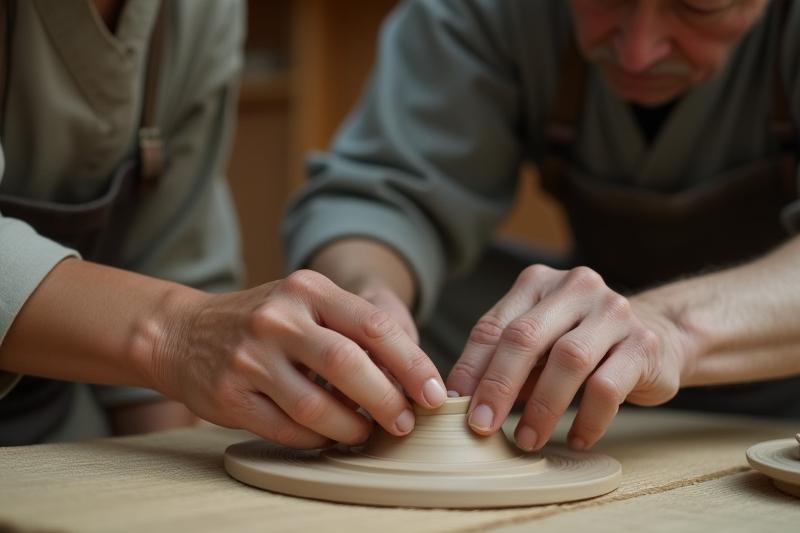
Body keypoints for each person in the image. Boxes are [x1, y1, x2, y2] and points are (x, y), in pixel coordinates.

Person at [283, 0, 800, 454]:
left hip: (782, 375)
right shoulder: (488, 11)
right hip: (563, 375)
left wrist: (670, 331)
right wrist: (369, 307)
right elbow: (380, 195)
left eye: (699, 6)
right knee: (446, 305)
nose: (639, 50)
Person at [0, 0, 446, 446]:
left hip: (63, 431)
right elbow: (180, 348)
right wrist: (177, 334)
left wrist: (175, 490)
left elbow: (169, 255)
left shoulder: (201, 11)